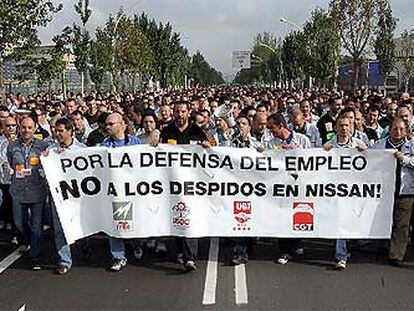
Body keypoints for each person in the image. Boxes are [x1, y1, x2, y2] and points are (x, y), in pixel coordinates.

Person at [159, 101, 210, 271]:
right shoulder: (167, 131)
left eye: (183, 112)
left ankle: (190, 257)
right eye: (177, 112)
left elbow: (209, 151)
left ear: (188, 113)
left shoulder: (197, 131)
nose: (180, 115)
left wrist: (207, 146)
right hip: (172, 182)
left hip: (192, 184)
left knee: (189, 218)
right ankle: (180, 250)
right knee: (176, 216)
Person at [100, 112, 144, 272]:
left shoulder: (135, 142)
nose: (107, 127)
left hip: (134, 192)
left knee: (135, 224)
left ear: (122, 125)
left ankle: (137, 244)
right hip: (115, 192)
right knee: (116, 225)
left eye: (111, 124)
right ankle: (118, 256)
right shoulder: (104, 145)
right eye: (107, 124)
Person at [266, 113, 310, 265]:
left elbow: (313, 159)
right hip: (282, 185)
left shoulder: (303, 140)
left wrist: (296, 151)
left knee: (299, 215)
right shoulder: (271, 143)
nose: (270, 131)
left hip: (300, 184)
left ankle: (295, 244)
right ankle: (284, 250)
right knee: (283, 217)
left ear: (281, 126)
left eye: (272, 128)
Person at [323, 115, 367, 270]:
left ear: (351, 127)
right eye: (341, 125)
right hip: (335, 190)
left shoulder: (358, 144)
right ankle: (340, 256)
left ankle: (346, 249)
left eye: (347, 125)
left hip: (353, 191)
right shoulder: (329, 145)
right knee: (339, 221)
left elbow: (372, 162)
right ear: (336, 127)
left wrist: (364, 152)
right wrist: (324, 151)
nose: (344, 128)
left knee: (350, 220)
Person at [7, 116, 49, 270]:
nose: (26, 130)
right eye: (24, 127)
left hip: (37, 191)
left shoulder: (43, 146)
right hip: (18, 191)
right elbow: (11, 162)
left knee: (37, 225)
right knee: (19, 222)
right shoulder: (12, 146)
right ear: (19, 127)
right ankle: (30, 240)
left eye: (30, 127)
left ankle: (35, 256)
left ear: (35, 127)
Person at [45, 118, 86, 275]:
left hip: (78, 196)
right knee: (59, 228)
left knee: (81, 224)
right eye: (56, 130)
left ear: (70, 131)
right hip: (58, 196)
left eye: (61, 130)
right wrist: (48, 159)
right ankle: (64, 260)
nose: (57, 133)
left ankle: (84, 245)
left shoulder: (81, 149)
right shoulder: (50, 149)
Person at [373, 118, 414, 267]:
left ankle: (396, 255)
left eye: (401, 129)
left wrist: (405, 159)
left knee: (401, 224)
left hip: (405, 190)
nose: (398, 132)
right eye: (395, 129)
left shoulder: (411, 146)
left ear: (406, 131)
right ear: (390, 130)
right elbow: (367, 159)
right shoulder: (380, 146)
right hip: (384, 191)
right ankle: (383, 245)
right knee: (384, 220)